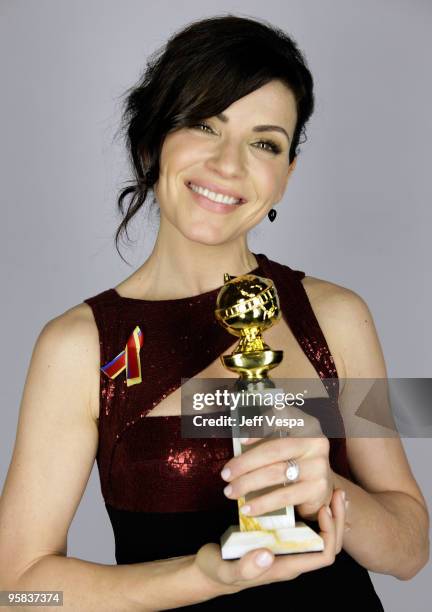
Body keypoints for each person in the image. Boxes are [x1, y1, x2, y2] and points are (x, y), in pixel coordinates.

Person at [0, 14, 429, 611]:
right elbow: (19, 593)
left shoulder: (338, 317)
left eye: (264, 142)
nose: (229, 165)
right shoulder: (78, 347)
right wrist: (207, 574)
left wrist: (329, 491)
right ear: (152, 141)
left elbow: (411, 548)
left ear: (284, 178)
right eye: (205, 124)